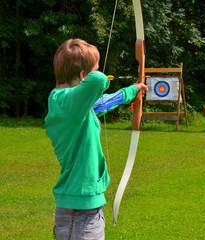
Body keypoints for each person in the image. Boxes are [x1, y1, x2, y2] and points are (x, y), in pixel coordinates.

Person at [45, 38, 148, 240]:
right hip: (78, 212)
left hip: (85, 209)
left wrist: (132, 90)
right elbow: (99, 80)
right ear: (84, 76)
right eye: (95, 68)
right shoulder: (65, 102)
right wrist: (95, 74)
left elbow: (100, 104)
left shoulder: (73, 106)